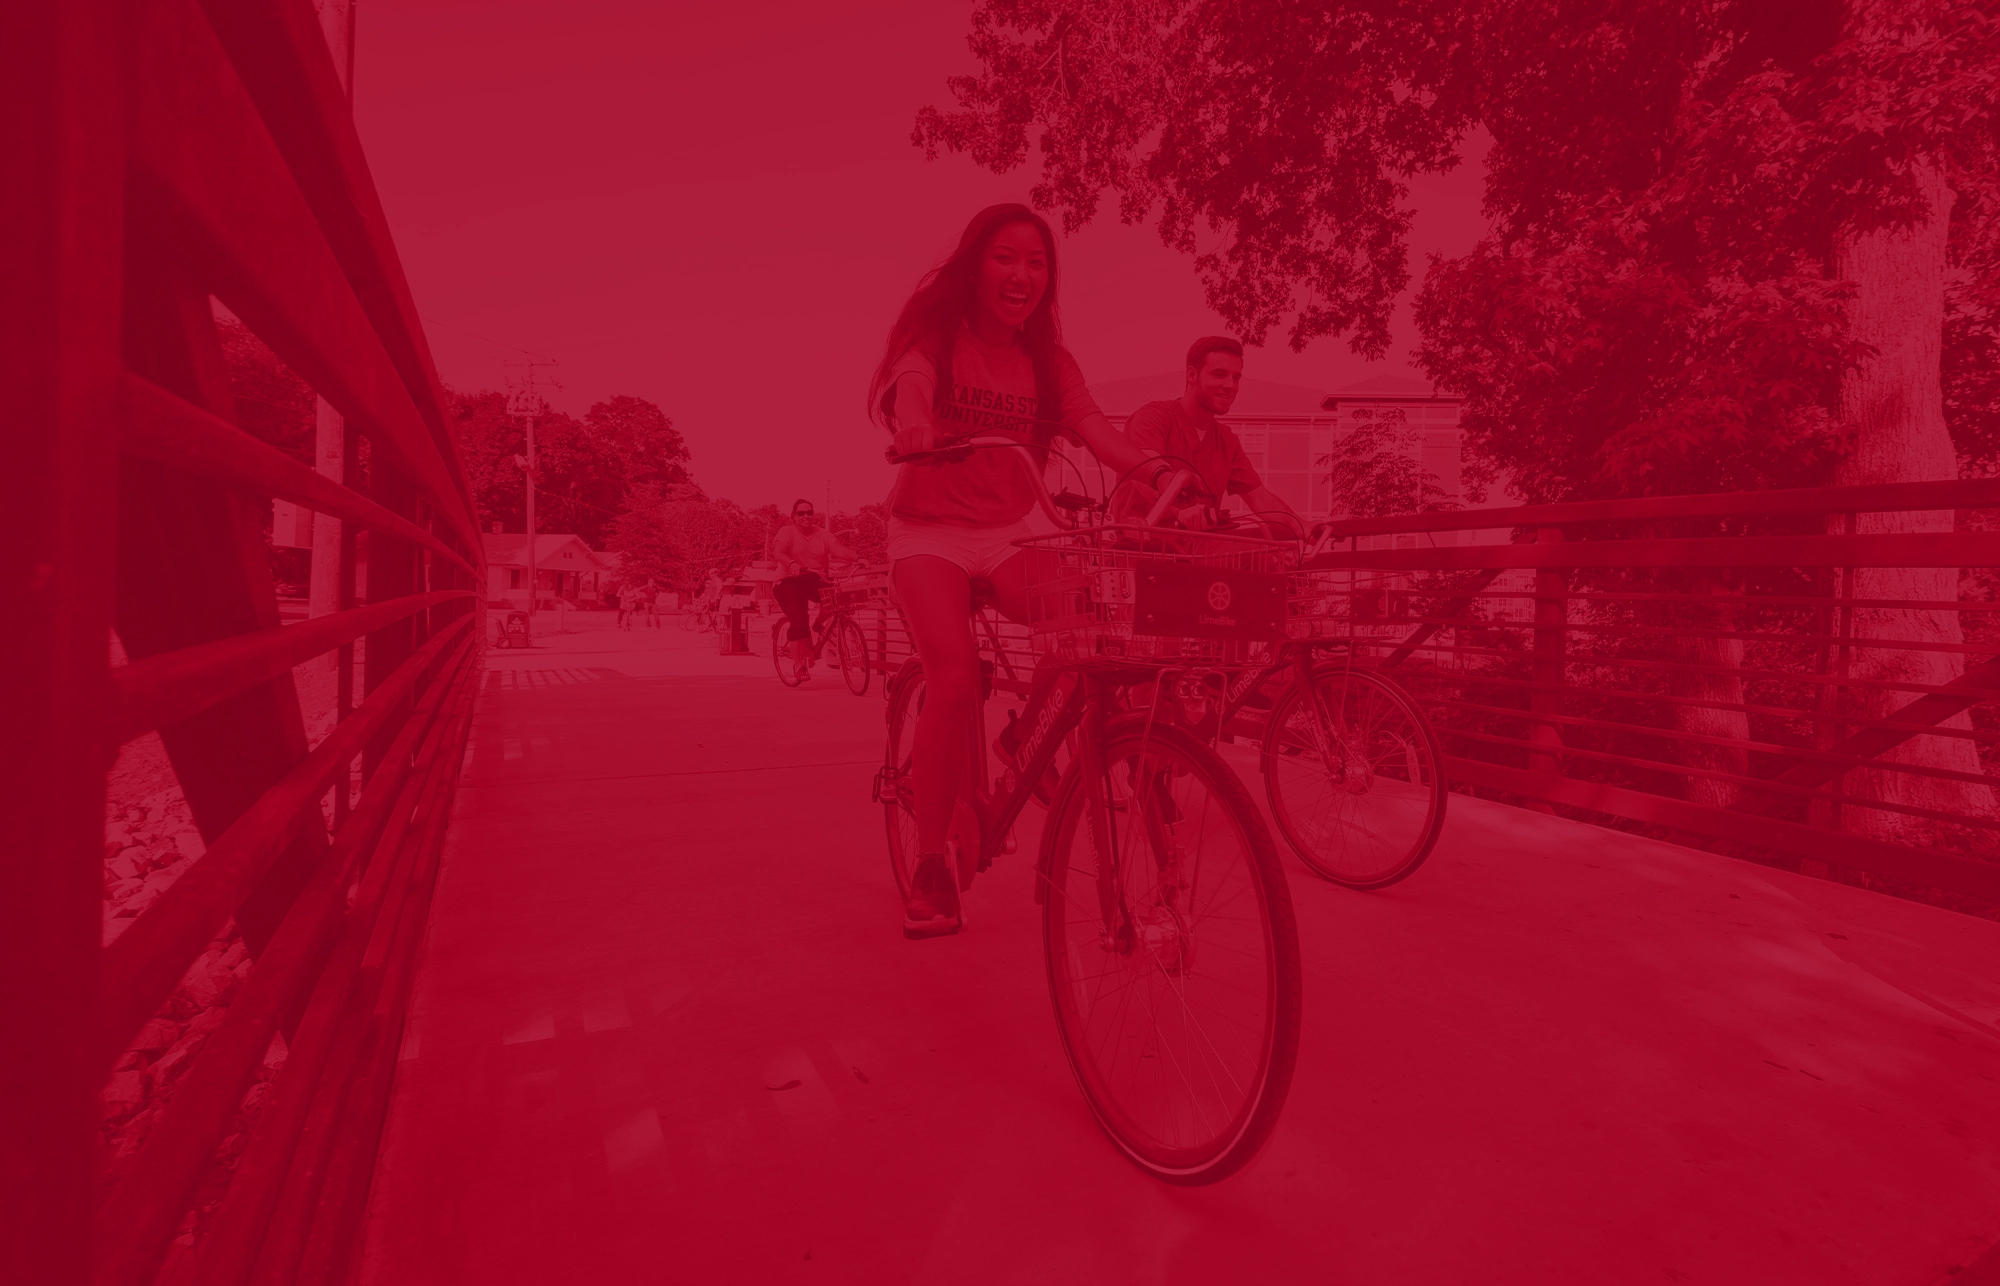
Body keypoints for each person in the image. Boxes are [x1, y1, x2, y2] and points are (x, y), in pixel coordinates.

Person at [872, 202, 1180, 940]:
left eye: (1037, 263)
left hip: (1010, 530)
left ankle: (1022, 746)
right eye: (1006, 258)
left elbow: (1097, 430)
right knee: (952, 676)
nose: (1022, 275)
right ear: (976, 266)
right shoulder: (937, 336)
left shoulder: (1049, 363)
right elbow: (910, 381)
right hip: (930, 532)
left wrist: (1159, 467)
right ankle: (933, 864)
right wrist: (916, 422)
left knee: (1090, 629)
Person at [1111, 336, 1305, 537]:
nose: (1230, 385)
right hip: (1141, 550)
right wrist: (1180, 510)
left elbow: (1261, 500)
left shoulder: (1227, 441)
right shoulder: (1152, 418)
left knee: (1267, 557)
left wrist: (1305, 528)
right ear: (1191, 375)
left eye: (1236, 378)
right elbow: (1143, 470)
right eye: (1219, 374)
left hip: (1199, 553)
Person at [771, 500, 855, 679]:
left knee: (835, 597)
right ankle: (798, 665)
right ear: (794, 516)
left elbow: (838, 549)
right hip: (788, 581)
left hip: (814, 579)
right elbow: (779, 552)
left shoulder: (822, 534)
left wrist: (858, 558)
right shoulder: (787, 532)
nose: (806, 516)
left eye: (809, 513)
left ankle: (818, 624)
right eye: (801, 513)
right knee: (799, 619)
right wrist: (791, 563)